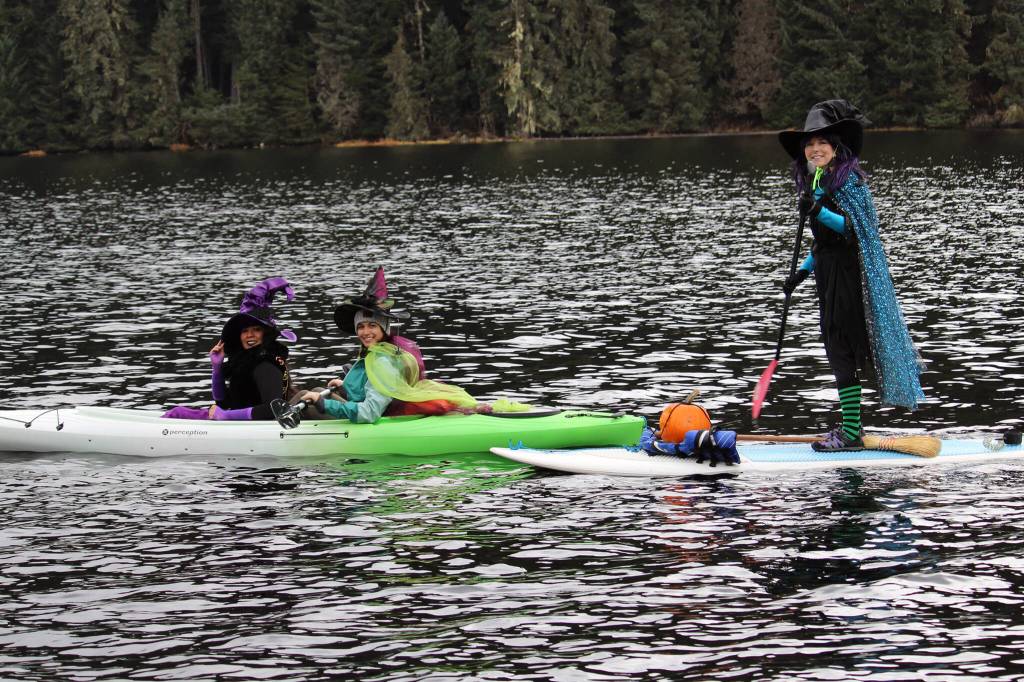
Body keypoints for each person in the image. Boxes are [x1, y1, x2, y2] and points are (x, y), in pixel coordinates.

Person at [777, 100, 924, 452]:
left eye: (821, 143)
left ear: (836, 147)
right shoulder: (816, 181)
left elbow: (855, 232)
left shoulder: (851, 183)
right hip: (827, 275)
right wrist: (801, 273)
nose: (814, 148)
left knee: (843, 348)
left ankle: (853, 433)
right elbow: (822, 245)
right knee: (833, 347)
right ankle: (851, 427)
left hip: (851, 278)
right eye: (809, 144)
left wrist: (818, 210)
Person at [295, 267, 479, 423]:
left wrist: (324, 403)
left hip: (373, 420)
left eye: (372, 325)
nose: (365, 332)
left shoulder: (382, 361)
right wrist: (346, 385)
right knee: (318, 391)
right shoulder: (378, 351)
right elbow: (376, 387)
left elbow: (370, 412)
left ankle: (271, 426)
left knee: (311, 396)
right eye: (361, 326)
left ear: (384, 329)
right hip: (377, 411)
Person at [163, 277, 298, 420]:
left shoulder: (266, 365)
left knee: (177, 413)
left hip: (254, 428)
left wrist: (226, 416)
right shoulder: (246, 362)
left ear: (265, 334)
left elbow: (273, 410)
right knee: (176, 413)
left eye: (256, 329)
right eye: (245, 331)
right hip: (237, 423)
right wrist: (217, 368)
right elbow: (222, 402)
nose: (249, 335)